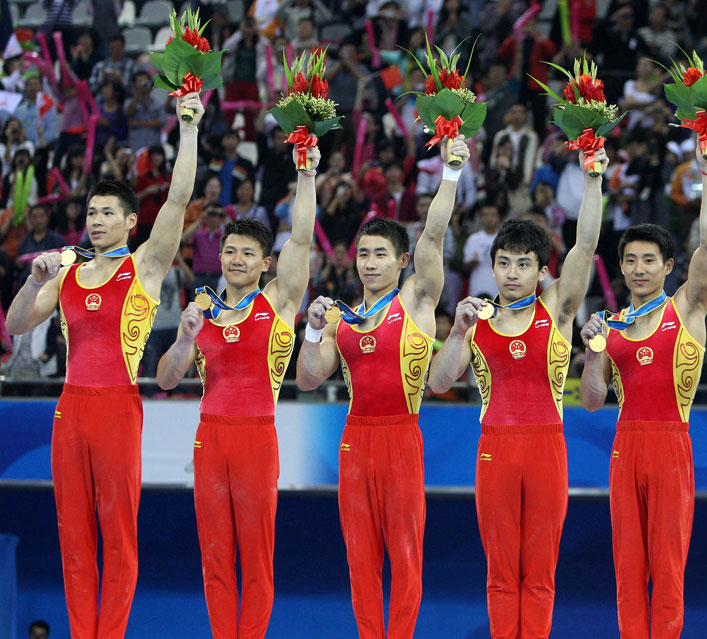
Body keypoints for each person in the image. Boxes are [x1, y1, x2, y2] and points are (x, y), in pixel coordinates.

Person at [3, 93, 203, 639]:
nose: (95, 220)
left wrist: (188, 128)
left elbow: (178, 198)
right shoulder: (65, 273)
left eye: (107, 212)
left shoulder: (144, 266)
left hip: (117, 406)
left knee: (117, 535)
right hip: (70, 409)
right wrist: (35, 281)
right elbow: (16, 326)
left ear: (131, 221)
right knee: (73, 535)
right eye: (91, 212)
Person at [427, 146, 609, 639]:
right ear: (491, 267)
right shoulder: (476, 321)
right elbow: (438, 383)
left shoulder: (558, 309)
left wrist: (593, 179)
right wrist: (457, 332)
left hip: (547, 448)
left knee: (540, 571)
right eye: (503, 263)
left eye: (522, 264)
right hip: (496, 450)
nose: (511, 273)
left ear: (541, 271)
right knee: (502, 572)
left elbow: (586, 245)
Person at [295, 136, 470, 639]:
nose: (369, 263)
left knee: (405, 553)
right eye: (363, 255)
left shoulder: (415, 299)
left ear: (401, 260)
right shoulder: (340, 318)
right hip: (354, 440)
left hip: (401, 437)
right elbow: (308, 379)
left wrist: (451, 172)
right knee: (360, 557)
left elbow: (434, 235)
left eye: (380, 255)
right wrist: (312, 331)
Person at [155, 142, 320, 639]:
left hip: (256, 437)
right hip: (210, 438)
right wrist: (184, 339)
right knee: (215, 556)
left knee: (256, 554)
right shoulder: (200, 310)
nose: (237, 260)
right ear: (218, 255)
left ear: (266, 263)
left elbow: (302, 239)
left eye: (248, 253)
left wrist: (306, 175)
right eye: (230, 251)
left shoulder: (278, 301)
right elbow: (165, 380)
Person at [578, 134, 707, 639]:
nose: (639, 270)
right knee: (627, 569)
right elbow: (592, 402)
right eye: (631, 261)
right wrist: (593, 351)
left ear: (667, 267)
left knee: (667, 566)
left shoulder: (686, 308)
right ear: (621, 267)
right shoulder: (611, 327)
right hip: (625, 447)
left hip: (670, 444)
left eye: (649, 261)